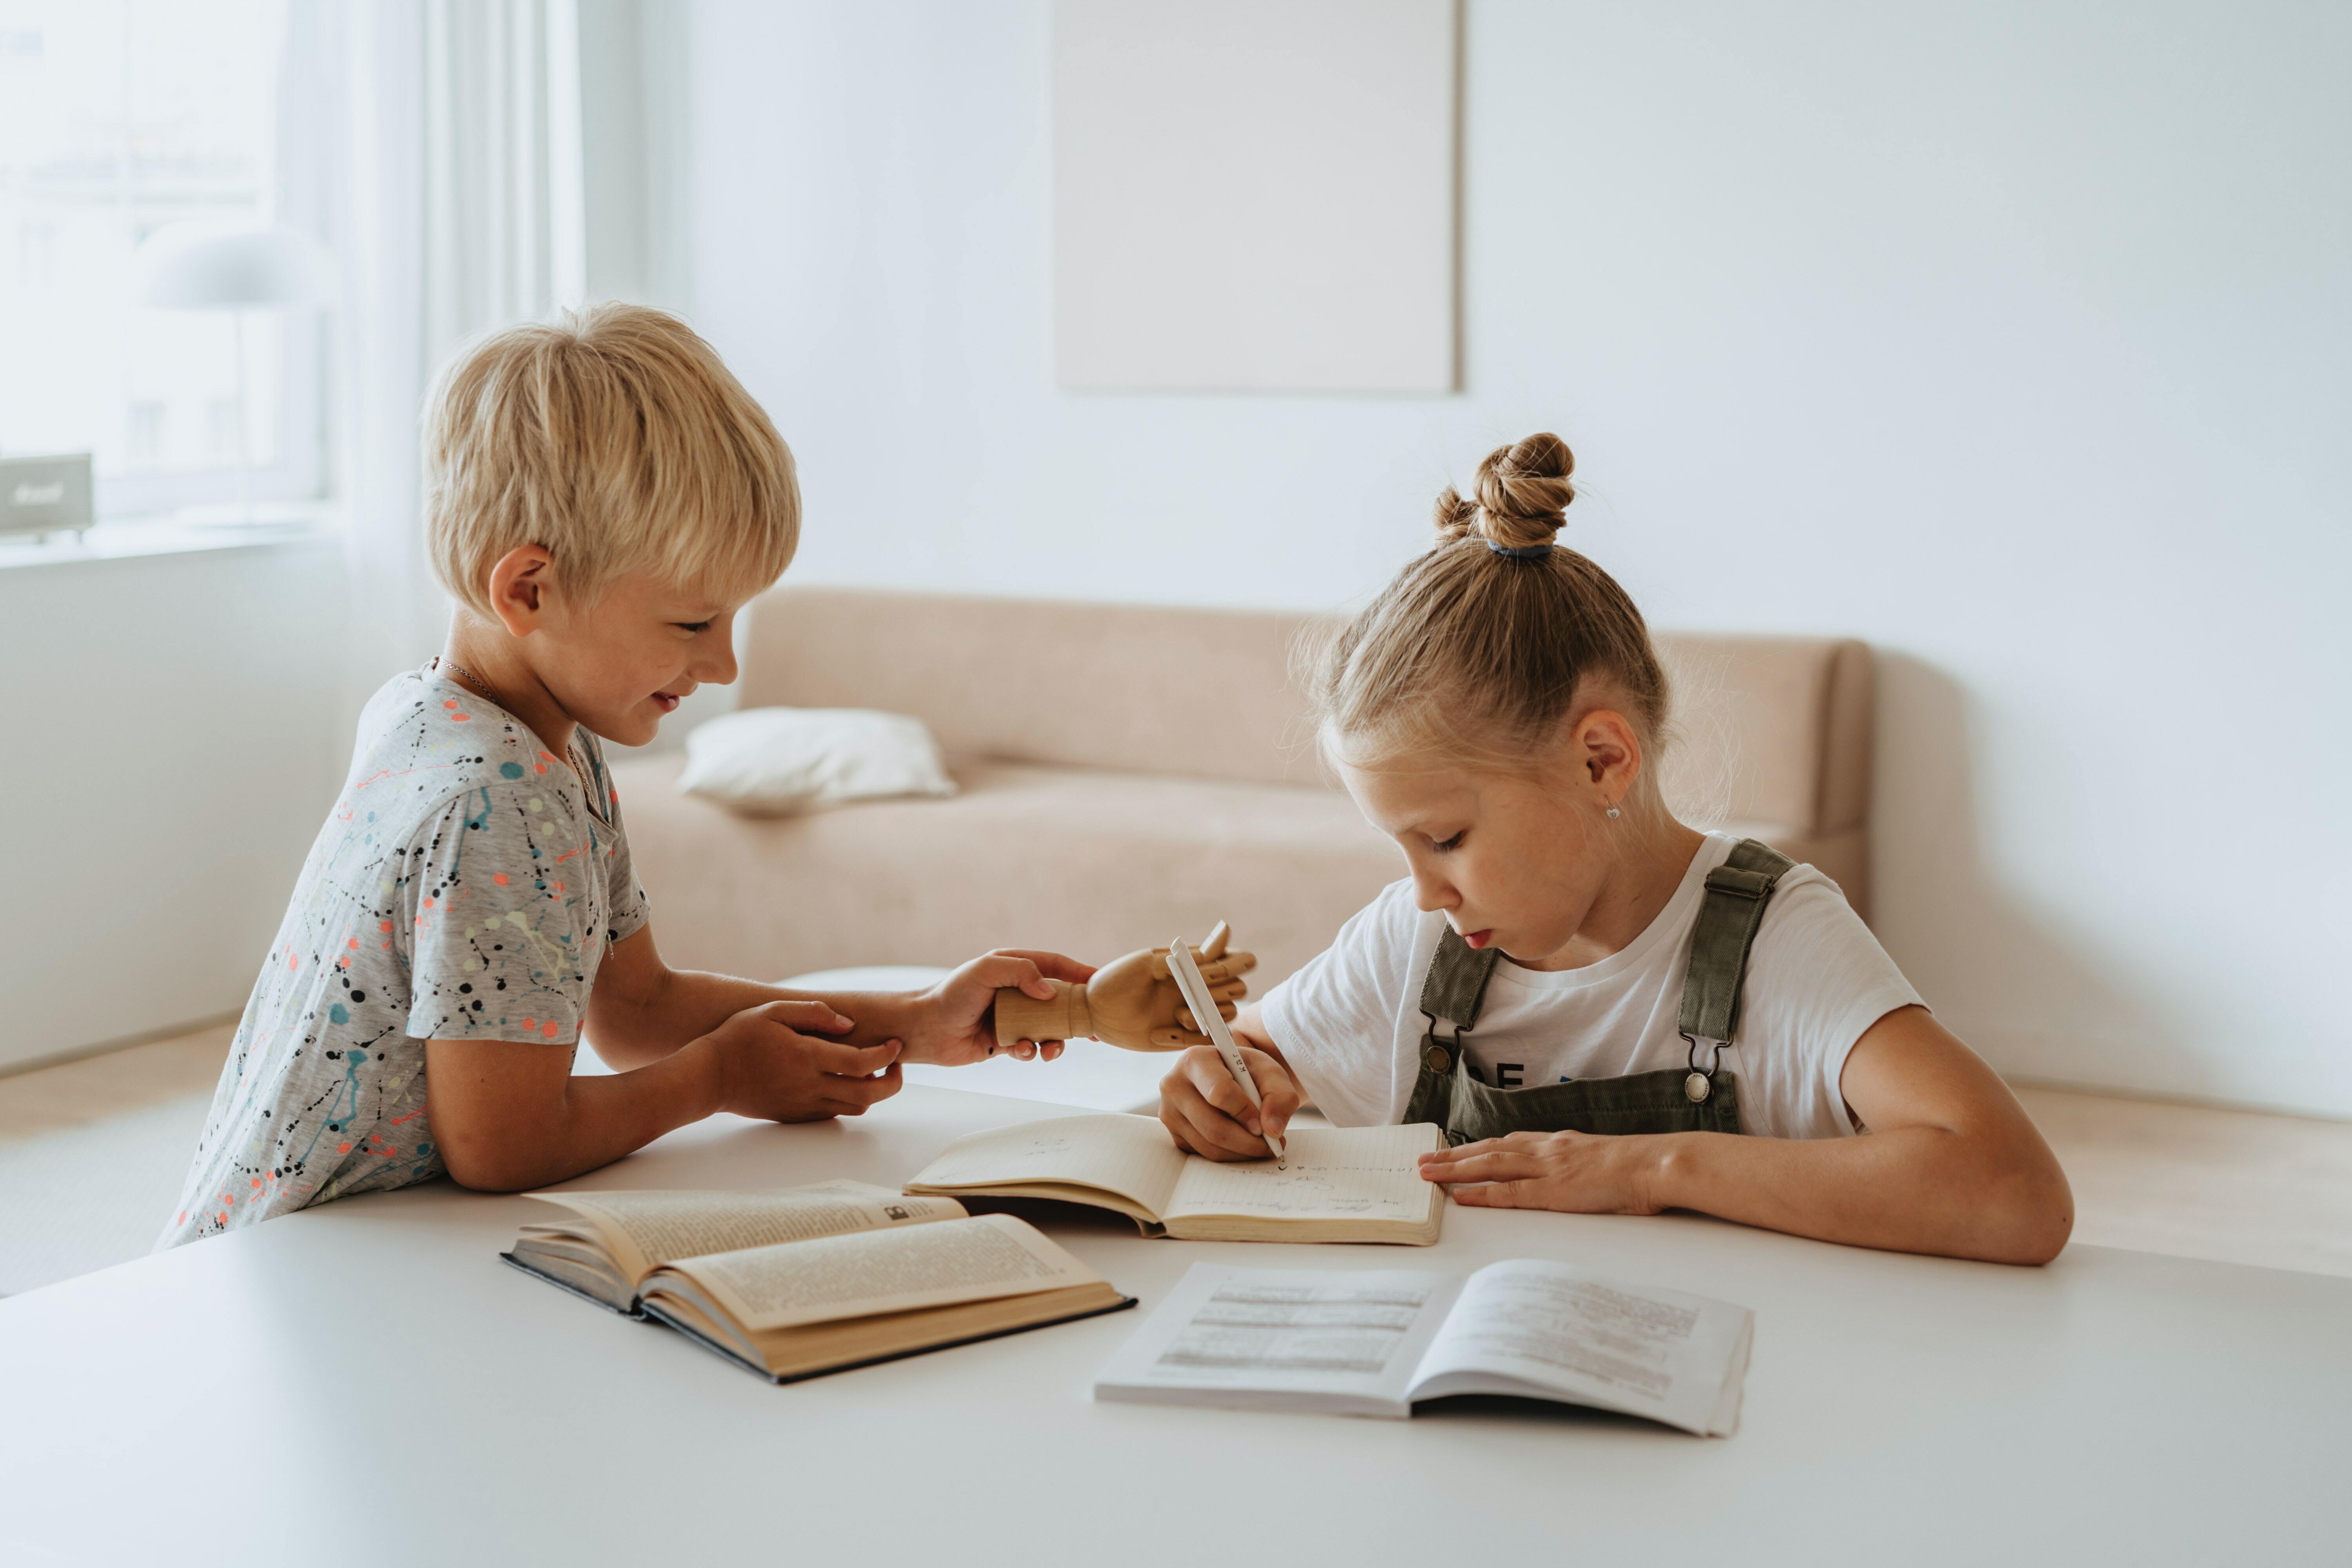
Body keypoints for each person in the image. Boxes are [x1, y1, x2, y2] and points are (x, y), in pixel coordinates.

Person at [159, 304, 1088, 1247]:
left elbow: (638, 1008)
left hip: (332, 1244)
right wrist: (716, 1079)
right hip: (294, 1264)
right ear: (529, 589)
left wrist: (920, 1022)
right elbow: (502, 1144)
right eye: (692, 625)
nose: (725, 665)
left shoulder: (466, 719)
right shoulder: (496, 799)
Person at [1155, 434, 2073, 1265]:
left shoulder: (1775, 940)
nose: (1425, 890)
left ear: (1602, 760)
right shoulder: (1418, 940)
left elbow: (2016, 1194)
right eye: (1402, 846)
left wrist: (1654, 1168)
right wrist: (1228, 1083)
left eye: (1447, 838)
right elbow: (1256, 1048)